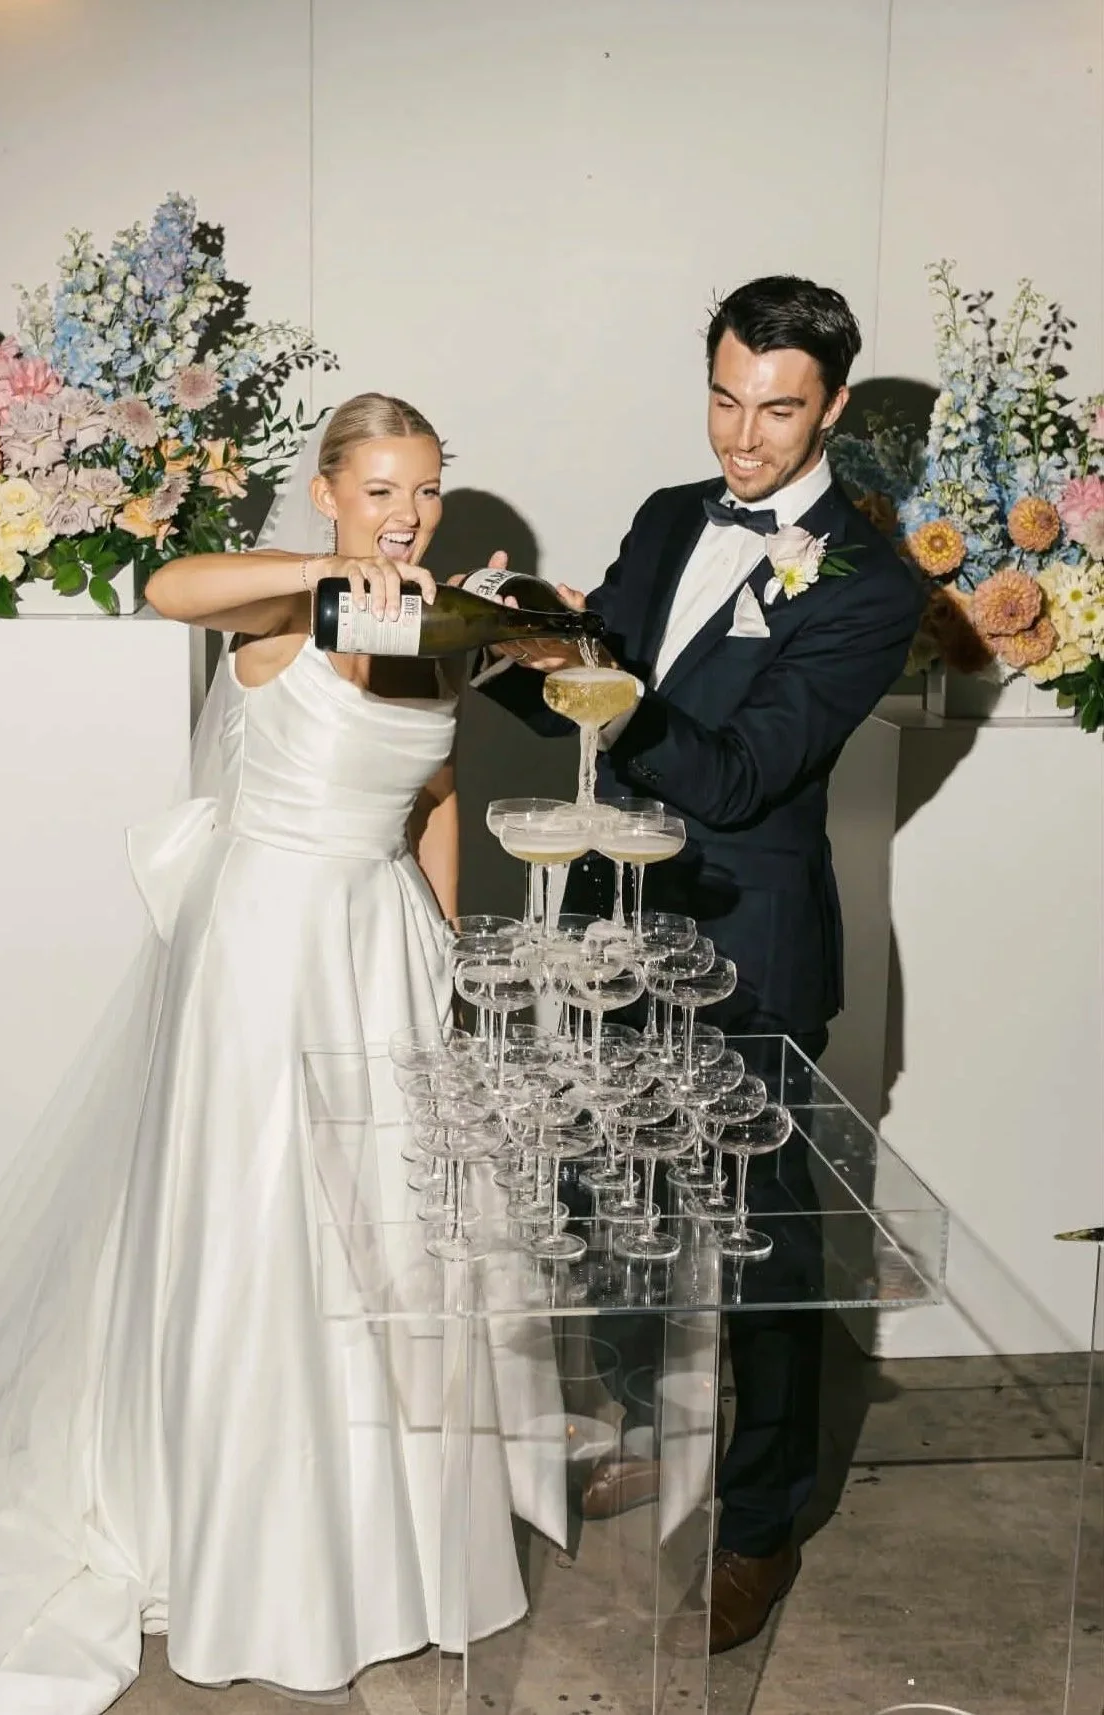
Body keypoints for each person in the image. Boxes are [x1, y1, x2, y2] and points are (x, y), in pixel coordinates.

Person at [0, 393, 563, 1711]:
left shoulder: (434, 634)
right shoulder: (280, 606)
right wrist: (332, 575)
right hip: (267, 952)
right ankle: (260, 1558)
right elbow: (166, 583)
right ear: (328, 491)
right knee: (269, 1236)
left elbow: (433, 795)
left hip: (377, 943)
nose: (407, 515)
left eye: (425, 490)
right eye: (381, 489)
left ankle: (398, 1555)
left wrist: (442, 944)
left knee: (396, 1235)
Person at [477, 277, 924, 1653]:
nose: (742, 438)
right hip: (616, 918)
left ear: (834, 408)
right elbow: (589, 666)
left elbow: (735, 773)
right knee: (611, 1195)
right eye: (725, 399)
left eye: (777, 410)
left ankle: (762, 1518)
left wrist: (585, 672)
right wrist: (490, 640)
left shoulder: (871, 583)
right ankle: (642, 1421)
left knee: (769, 1252)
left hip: (752, 944)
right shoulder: (676, 514)